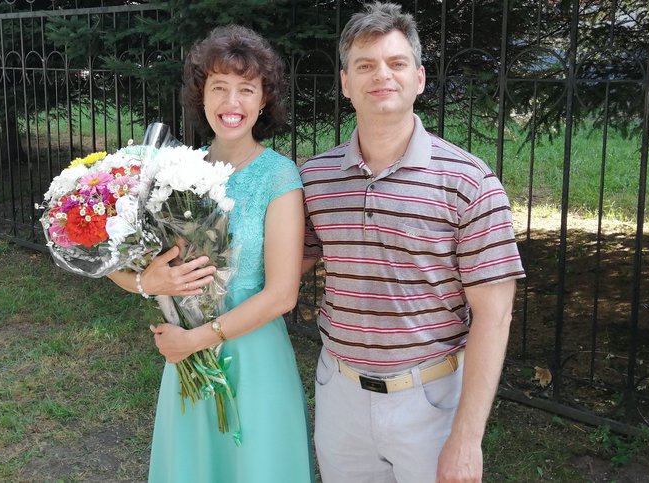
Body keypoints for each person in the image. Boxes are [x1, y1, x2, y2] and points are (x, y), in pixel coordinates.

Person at [299, 3, 525, 483]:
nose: (382, 75)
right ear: (345, 83)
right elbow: (274, 268)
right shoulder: (314, 178)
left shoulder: (469, 181)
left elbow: (495, 313)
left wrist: (466, 440)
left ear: (419, 78)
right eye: (365, 65)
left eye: (396, 63)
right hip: (339, 394)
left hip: (430, 402)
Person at [107, 25, 314, 483]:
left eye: (246, 89)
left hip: (253, 356)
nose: (232, 103)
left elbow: (282, 295)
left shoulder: (279, 177)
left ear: (264, 100)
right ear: (202, 96)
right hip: (186, 360)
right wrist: (148, 282)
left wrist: (196, 341)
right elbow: (114, 261)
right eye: (219, 87)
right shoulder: (172, 172)